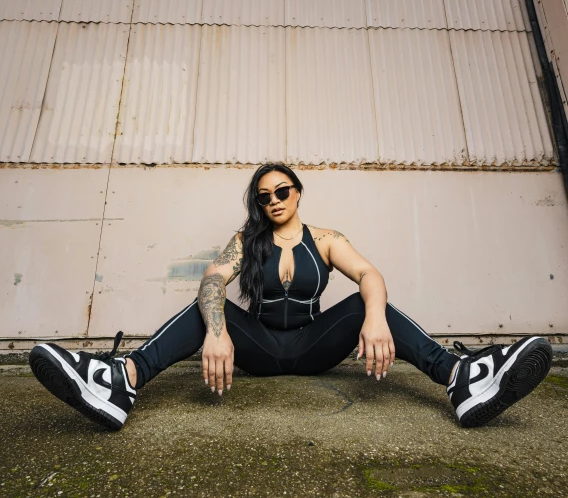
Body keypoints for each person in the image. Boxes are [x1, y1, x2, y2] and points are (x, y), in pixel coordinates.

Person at [29, 162, 552, 431]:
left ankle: (463, 380)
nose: (273, 200)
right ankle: (120, 382)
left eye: (282, 191)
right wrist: (217, 331)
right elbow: (214, 280)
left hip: (312, 347)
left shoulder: (325, 240)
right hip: (258, 349)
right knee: (204, 306)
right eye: (264, 196)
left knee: (373, 305)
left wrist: (372, 319)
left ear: (298, 192)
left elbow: (369, 274)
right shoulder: (245, 241)